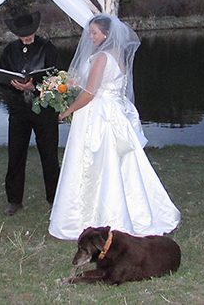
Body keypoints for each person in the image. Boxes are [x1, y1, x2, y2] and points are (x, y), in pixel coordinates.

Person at [49, 13, 180, 240]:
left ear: (106, 34)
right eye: (90, 32)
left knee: (95, 161)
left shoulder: (100, 58)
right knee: (122, 164)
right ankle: (131, 209)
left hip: (98, 116)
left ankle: (93, 215)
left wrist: (67, 111)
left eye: (94, 33)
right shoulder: (118, 54)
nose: (90, 37)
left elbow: (90, 93)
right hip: (114, 113)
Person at [0, 11, 61, 216]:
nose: (27, 37)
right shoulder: (9, 50)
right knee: (15, 155)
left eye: (30, 33)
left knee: (49, 156)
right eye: (22, 34)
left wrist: (34, 87)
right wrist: (13, 87)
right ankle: (14, 200)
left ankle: (55, 198)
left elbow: (59, 79)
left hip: (44, 111)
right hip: (18, 111)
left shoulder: (47, 48)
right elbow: (0, 79)